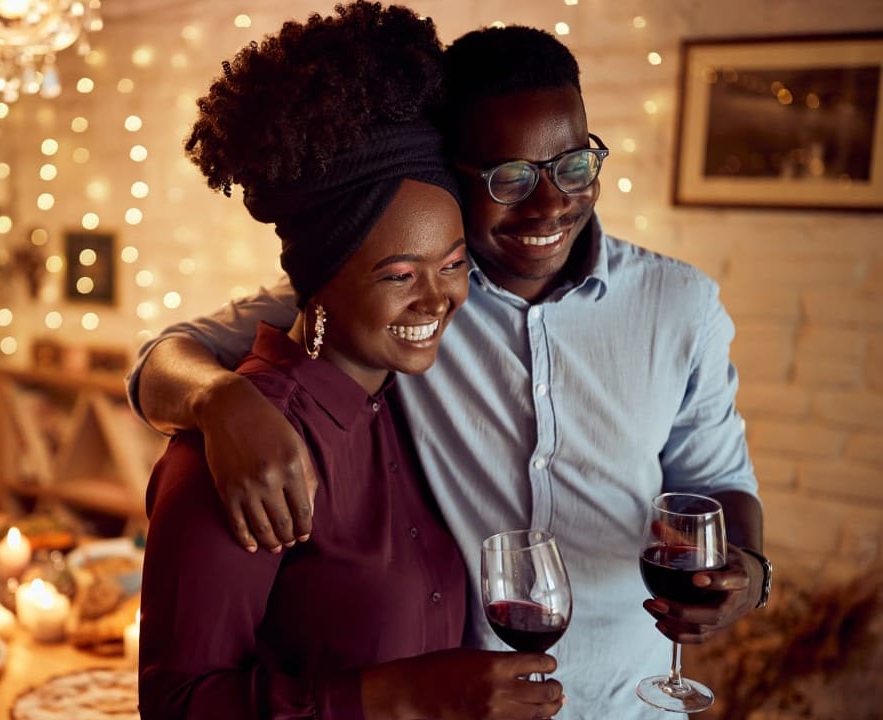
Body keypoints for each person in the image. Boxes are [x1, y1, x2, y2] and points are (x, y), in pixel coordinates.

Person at [129, 22, 769, 719]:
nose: (551, 204)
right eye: (510, 177)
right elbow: (164, 357)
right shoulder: (382, 295)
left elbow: (716, 480)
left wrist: (749, 576)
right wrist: (220, 401)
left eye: (574, 165)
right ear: (458, 174)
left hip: (633, 704)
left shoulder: (680, 303)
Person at [138, 4, 565, 719]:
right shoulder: (244, 457)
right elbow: (175, 706)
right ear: (318, 279)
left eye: (453, 264)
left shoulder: (411, 404)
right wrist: (400, 697)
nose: (439, 301)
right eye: (400, 275)